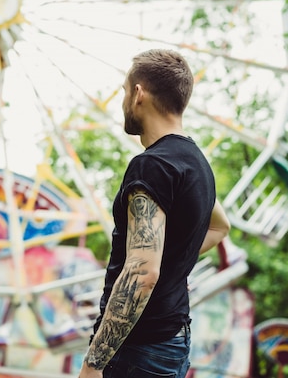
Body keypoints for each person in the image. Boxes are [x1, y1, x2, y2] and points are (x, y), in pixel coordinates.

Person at [78, 49, 231, 378]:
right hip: (173, 340)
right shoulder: (197, 163)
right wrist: (175, 265)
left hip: (138, 349)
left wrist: (93, 365)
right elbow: (220, 227)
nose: (122, 102)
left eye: (123, 91)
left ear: (138, 94)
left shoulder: (152, 165)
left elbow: (142, 273)